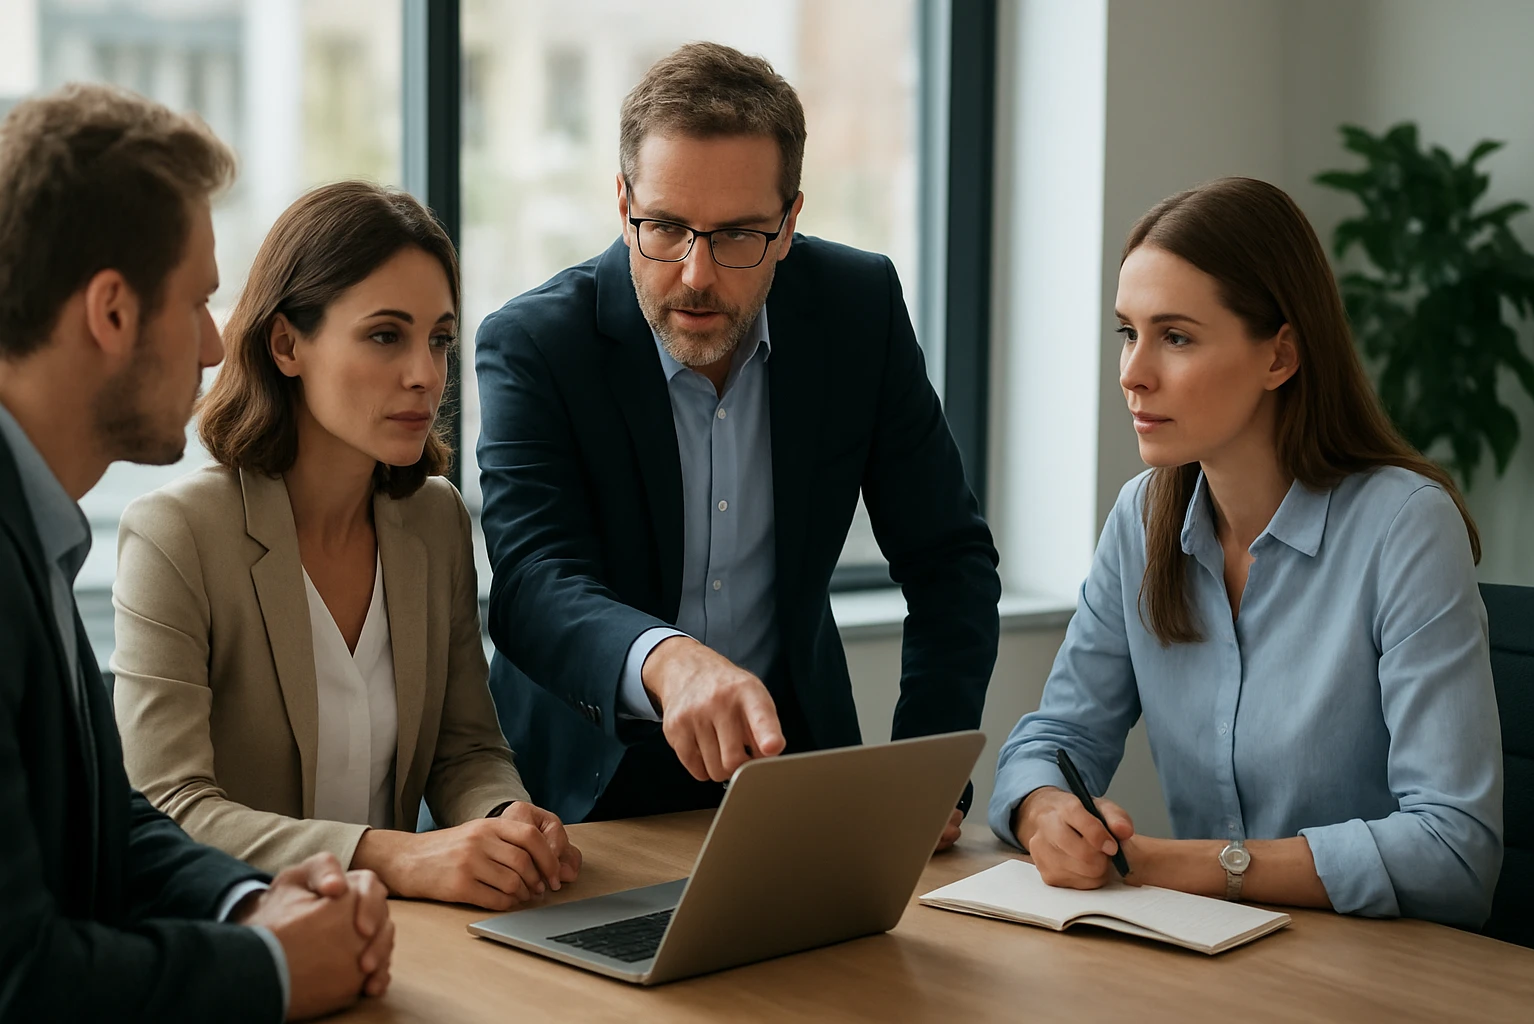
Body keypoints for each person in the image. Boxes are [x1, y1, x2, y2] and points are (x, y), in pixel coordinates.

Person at [475, 42, 1001, 845]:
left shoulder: (858, 313)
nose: (695, 274)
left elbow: (948, 559)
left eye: (737, 237)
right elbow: (531, 586)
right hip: (582, 798)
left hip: (786, 777)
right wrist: (668, 660)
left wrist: (922, 772)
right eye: (665, 228)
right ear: (623, 205)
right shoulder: (536, 344)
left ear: (790, 223)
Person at [990, 177, 1504, 929]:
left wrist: (1195, 865)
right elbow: (1057, 737)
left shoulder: (1405, 527)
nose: (1133, 373)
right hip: (1211, 961)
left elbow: (1455, 850)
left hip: (1380, 976)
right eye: (1127, 332)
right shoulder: (1142, 520)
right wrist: (1044, 813)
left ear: (1281, 356)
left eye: (1176, 337)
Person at [0, 84, 395, 1022]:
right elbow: (22, 981)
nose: (218, 344)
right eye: (200, 300)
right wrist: (275, 971)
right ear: (111, 312)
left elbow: (105, 821)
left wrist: (255, 901)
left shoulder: (34, 522)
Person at [111, 181, 582, 913]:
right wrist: (394, 855)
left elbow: (466, 749)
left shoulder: (434, 521)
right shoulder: (176, 535)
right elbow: (168, 806)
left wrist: (502, 821)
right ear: (286, 343)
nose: (425, 374)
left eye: (439, 339)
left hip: (396, 941)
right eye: (385, 335)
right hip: (243, 945)